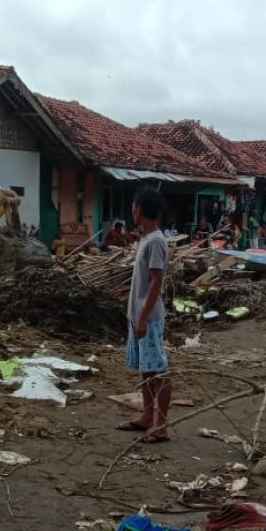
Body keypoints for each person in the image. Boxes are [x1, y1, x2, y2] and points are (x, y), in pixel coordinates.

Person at [116, 189, 172, 443]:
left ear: (139, 209)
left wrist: (142, 318)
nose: (132, 212)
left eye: (133, 207)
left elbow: (156, 283)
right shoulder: (146, 239)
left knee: (158, 370)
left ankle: (161, 425)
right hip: (138, 314)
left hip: (148, 317)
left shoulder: (157, 241)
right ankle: (147, 416)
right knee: (147, 370)